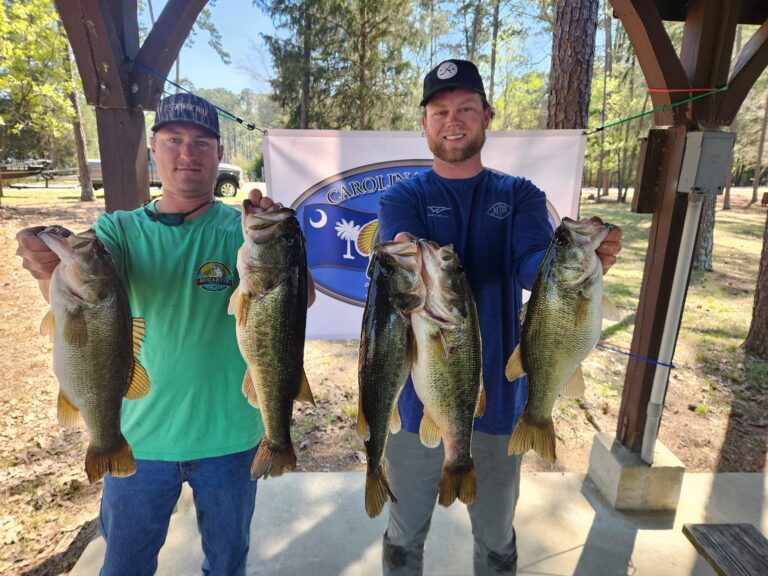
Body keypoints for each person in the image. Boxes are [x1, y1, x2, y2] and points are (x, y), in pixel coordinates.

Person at [16, 92, 315, 576]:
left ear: (219, 155)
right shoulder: (119, 230)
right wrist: (43, 266)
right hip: (139, 437)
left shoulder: (243, 231)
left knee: (227, 563)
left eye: (201, 142)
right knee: (125, 565)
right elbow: (79, 295)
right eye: (173, 140)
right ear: (154, 151)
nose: (187, 153)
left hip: (233, 438)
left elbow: (297, 303)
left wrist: (288, 240)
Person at [376, 59, 622, 575]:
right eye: (439, 110)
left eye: (465, 108)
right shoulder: (404, 196)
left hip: (500, 404)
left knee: (496, 538)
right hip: (421, 397)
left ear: (487, 116)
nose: (452, 119)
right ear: (424, 123)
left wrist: (577, 268)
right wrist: (402, 251)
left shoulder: (520, 195)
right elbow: (401, 255)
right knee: (403, 535)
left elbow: (532, 263)